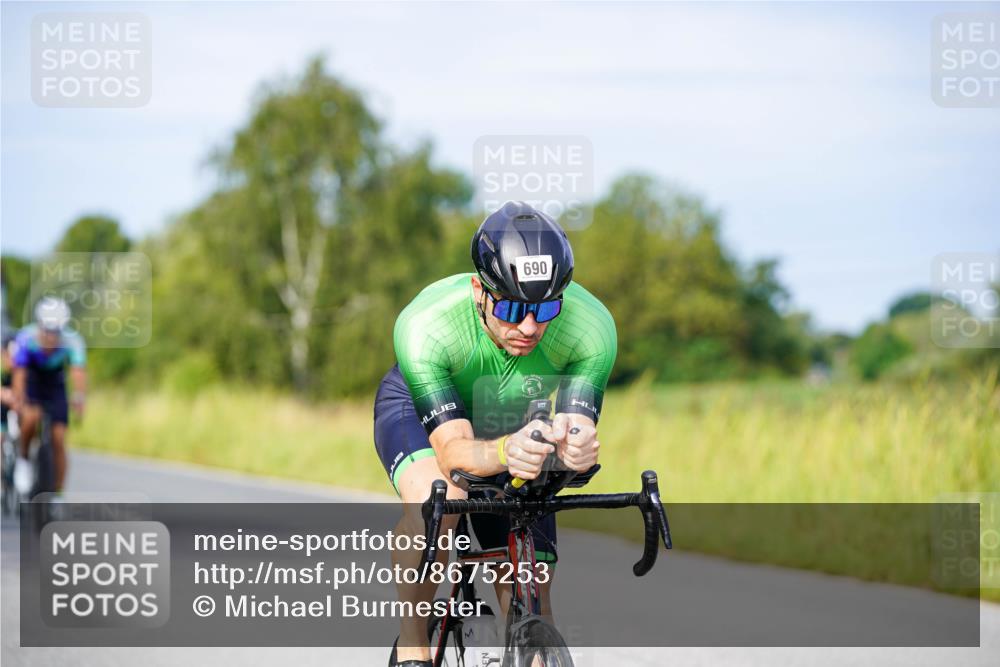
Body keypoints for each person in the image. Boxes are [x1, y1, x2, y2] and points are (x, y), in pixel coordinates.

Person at [374, 201, 617, 667]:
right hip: (427, 410)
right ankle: (414, 647)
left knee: (526, 560)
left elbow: (578, 424)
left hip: (515, 411)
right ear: (478, 290)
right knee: (436, 505)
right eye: (510, 308)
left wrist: (577, 445)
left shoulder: (591, 327)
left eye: (546, 308)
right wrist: (507, 449)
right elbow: (452, 453)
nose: (529, 327)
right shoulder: (427, 325)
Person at [11, 297, 87, 496]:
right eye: (47, 330)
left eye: (56, 332)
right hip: (32, 381)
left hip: (55, 385)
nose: (51, 337)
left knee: (59, 439)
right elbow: (19, 372)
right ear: (39, 325)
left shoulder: (73, 340)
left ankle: (58, 494)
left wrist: (79, 398)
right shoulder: (26, 337)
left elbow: (78, 371)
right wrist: (19, 400)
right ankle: (24, 459)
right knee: (29, 419)